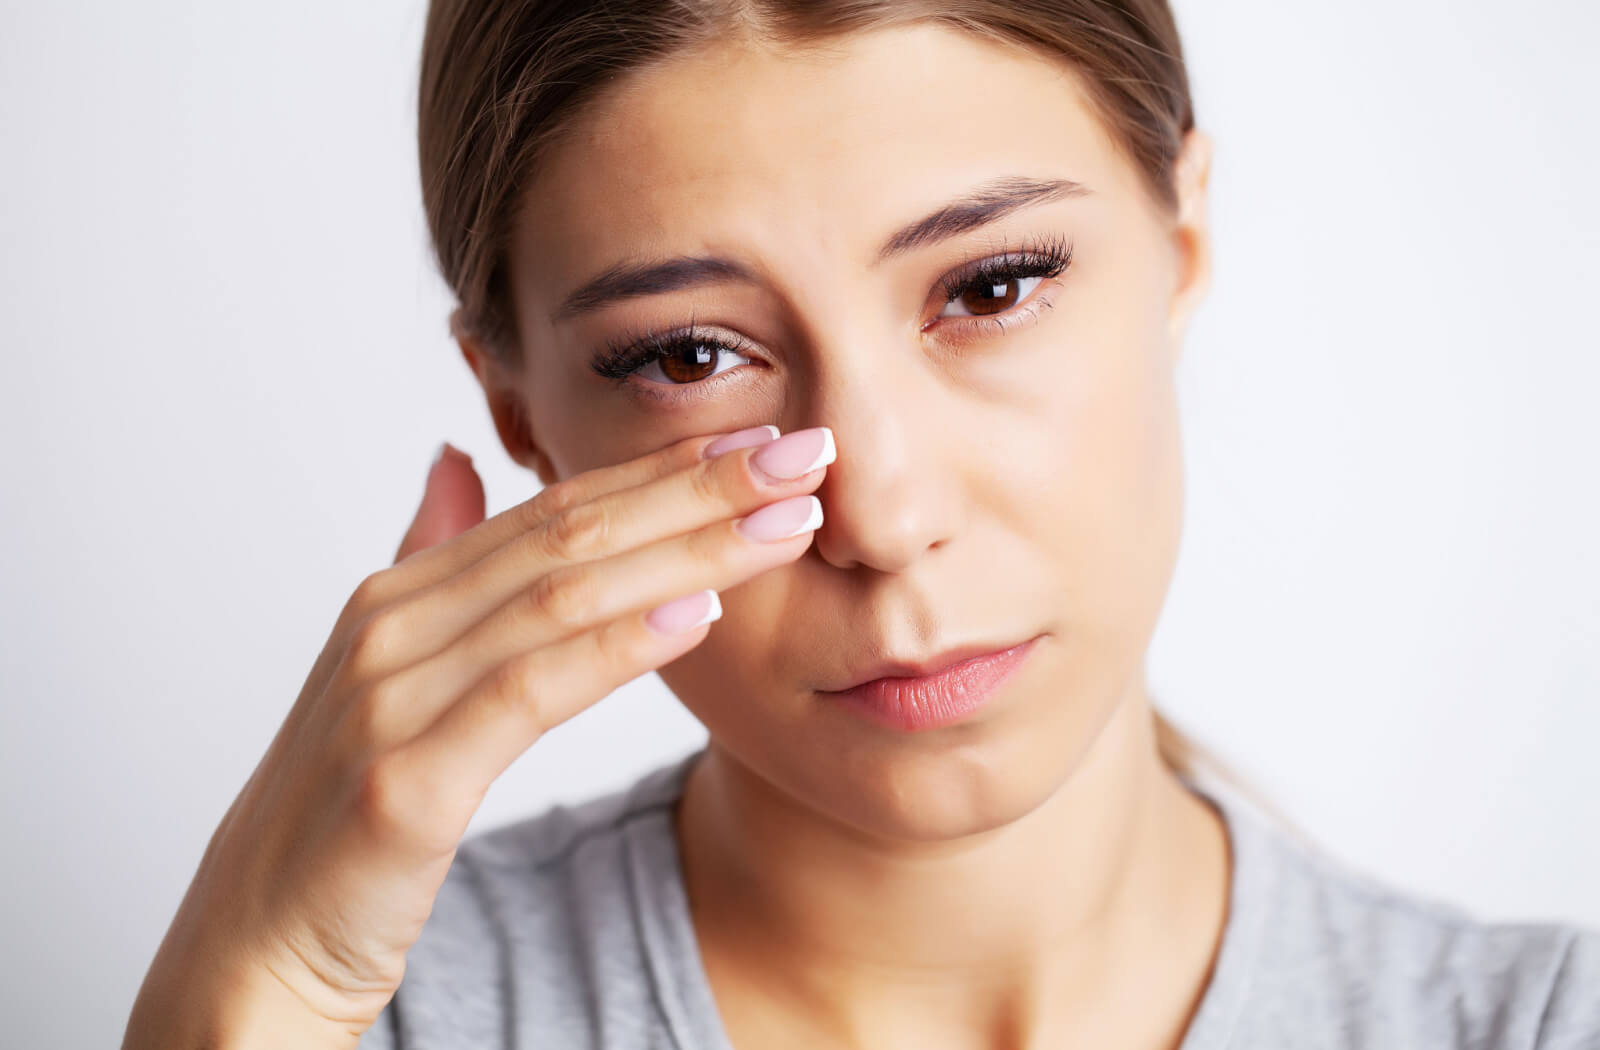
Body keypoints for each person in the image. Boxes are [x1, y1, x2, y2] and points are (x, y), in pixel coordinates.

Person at [123, 2, 1600, 1048]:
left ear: (1181, 247)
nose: (883, 515)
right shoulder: (364, 1024)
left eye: (993, 284)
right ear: (519, 419)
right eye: (689, 357)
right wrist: (255, 996)